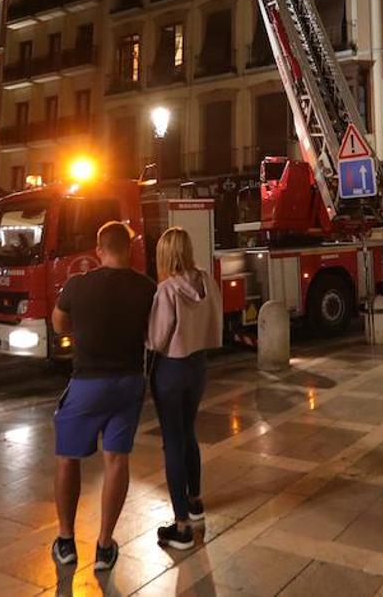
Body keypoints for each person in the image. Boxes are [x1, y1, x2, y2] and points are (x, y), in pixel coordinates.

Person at [50, 221, 155, 573]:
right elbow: (151, 332)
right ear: (129, 249)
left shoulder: (77, 284)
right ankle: (105, 545)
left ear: (99, 249)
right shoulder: (146, 287)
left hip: (87, 383)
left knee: (67, 458)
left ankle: (66, 540)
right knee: (117, 460)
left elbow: (59, 325)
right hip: (128, 383)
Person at [147, 227, 224, 551]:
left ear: (164, 255)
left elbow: (157, 337)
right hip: (198, 366)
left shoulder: (166, 290)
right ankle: (195, 501)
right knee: (189, 434)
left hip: (171, 369)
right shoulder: (205, 280)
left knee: (172, 442)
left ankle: (181, 526)